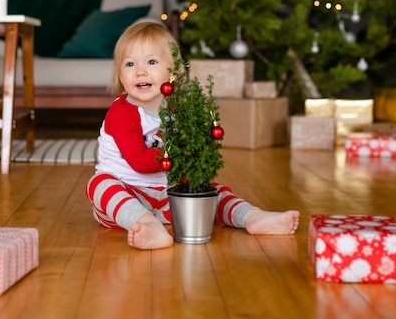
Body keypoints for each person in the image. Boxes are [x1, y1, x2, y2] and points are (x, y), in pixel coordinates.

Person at [85, 21, 300, 250]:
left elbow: (190, 154)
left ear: (173, 71)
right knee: (99, 185)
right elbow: (139, 162)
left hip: (170, 199)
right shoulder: (122, 113)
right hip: (127, 198)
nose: (140, 71)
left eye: (151, 62)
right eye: (130, 64)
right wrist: (185, 152)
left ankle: (252, 217)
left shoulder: (176, 110)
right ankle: (147, 225)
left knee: (211, 191)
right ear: (119, 74)